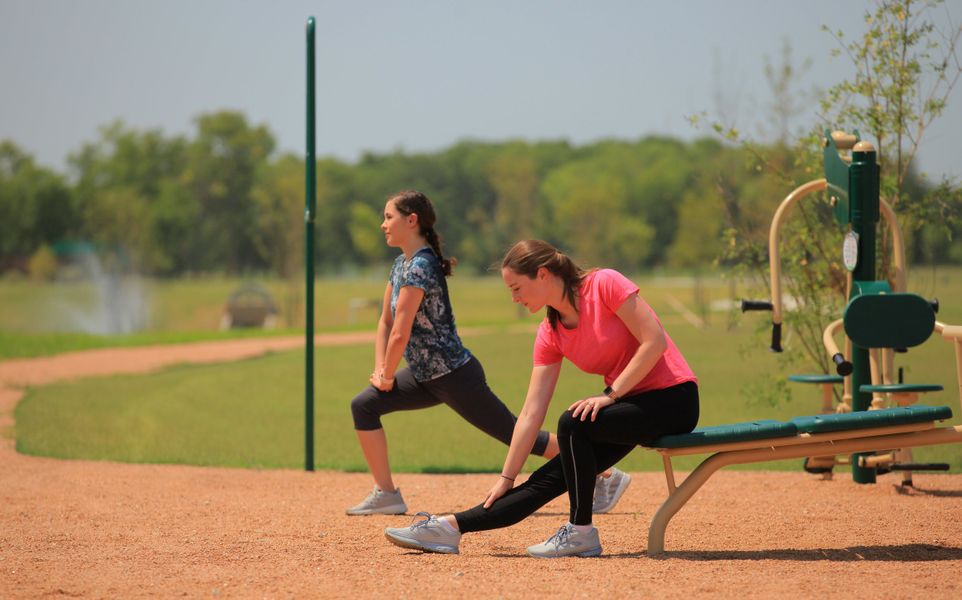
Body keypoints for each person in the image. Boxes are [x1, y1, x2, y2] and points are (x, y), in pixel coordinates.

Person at [384, 239, 698, 557]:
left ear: (543, 274)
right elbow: (532, 413)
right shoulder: (550, 332)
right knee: (546, 480)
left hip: (674, 398)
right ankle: (449, 528)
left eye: (517, 288)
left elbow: (654, 341)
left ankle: (581, 532)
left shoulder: (604, 284)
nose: (514, 298)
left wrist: (611, 395)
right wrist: (507, 477)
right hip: (629, 409)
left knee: (573, 423)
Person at [349, 192, 633, 516]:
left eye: (388, 216)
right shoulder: (401, 265)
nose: (383, 224)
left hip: (454, 375)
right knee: (364, 405)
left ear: (411, 220)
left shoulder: (422, 266)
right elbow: (385, 321)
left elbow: (401, 330)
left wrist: (386, 375)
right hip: (423, 374)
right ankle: (386, 493)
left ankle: (605, 474)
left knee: (517, 436)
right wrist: (379, 372)